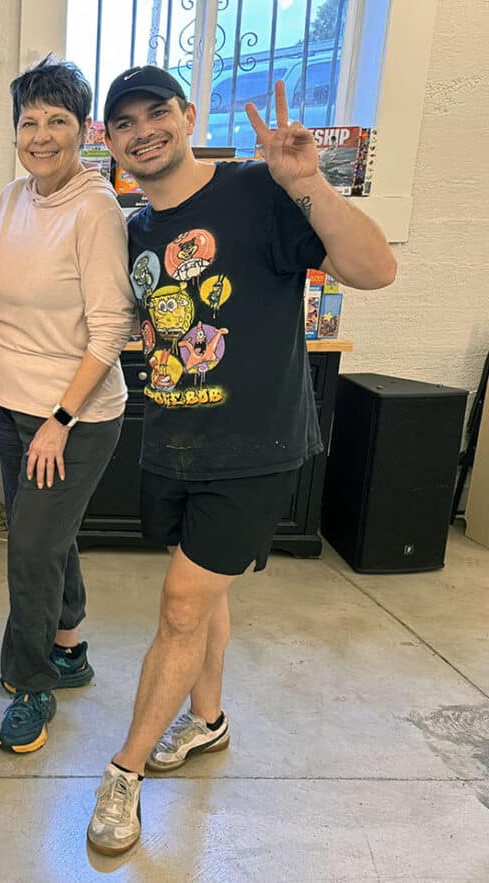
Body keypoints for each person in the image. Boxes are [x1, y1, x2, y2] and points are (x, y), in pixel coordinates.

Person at [85, 66, 396, 853]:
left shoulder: (261, 189)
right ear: (111, 141)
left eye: (158, 112)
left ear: (188, 116)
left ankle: (123, 774)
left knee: (181, 606)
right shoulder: (135, 227)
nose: (143, 130)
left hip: (253, 448)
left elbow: (375, 269)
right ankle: (209, 720)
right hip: (175, 440)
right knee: (205, 590)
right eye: (124, 122)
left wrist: (309, 184)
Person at [0, 57, 136, 754]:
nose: (40, 135)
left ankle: (32, 679)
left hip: (72, 417)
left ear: (83, 131)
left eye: (57, 122)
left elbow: (112, 330)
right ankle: (68, 646)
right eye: (29, 121)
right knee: (49, 534)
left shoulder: (96, 210)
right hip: (8, 400)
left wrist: (59, 421)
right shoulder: (13, 197)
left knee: (31, 547)